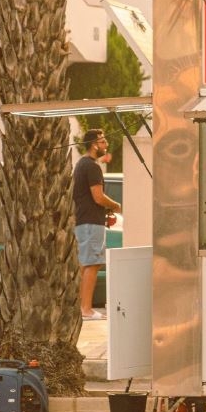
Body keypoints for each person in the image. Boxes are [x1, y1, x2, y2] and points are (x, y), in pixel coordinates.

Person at [72, 129, 121, 320]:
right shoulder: (92, 166)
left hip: (84, 220)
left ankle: (81, 307)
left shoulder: (81, 165)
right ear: (94, 144)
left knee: (86, 264)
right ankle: (86, 309)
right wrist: (115, 205)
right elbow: (98, 197)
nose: (105, 145)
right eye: (102, 142)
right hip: (91, 222)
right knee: (92, 263)